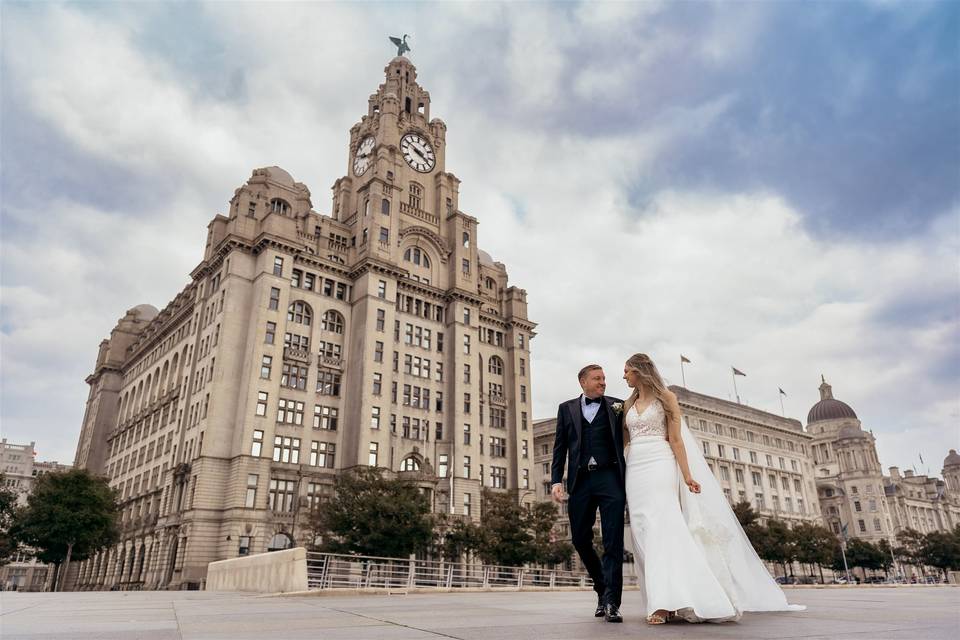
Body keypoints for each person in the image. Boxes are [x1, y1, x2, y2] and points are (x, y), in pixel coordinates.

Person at [622, 352, 806, 624]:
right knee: (641, 530)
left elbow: (676, 440)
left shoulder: (667, 399)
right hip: (635, 467)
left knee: (662, 526)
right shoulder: (628, 403)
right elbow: (625, 441)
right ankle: (665, 598)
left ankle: (664, 603)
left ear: (640, 371)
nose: (623, 375)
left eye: (627, 370)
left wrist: (686, 475)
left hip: (660, 462)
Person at [551, 364, 627, 622]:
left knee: (613, 541)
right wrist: (555, 481)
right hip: (581, 480)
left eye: (604, 378)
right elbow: (560, 448)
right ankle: (601, 588)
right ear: (583, 382)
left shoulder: (618, 406)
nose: (603, 382)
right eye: (597, 378)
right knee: (580, 540)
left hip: (610, 478)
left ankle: (612, 603)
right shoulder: (566, 408)